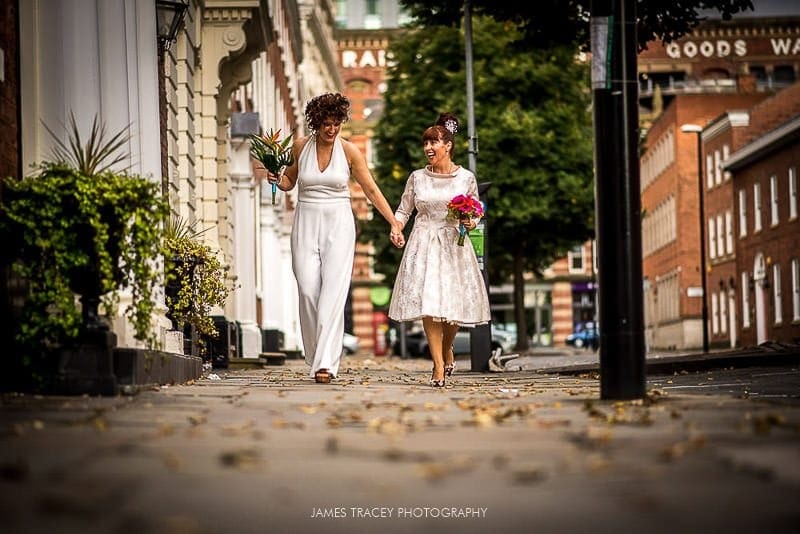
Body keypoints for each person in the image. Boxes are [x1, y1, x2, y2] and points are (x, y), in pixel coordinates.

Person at [267, 93, 403, 384]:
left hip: (339, 222)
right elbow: (290, 181)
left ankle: (326, 364)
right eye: (326, 124)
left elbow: (371, 190)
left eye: (336, 123)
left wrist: (394, 222)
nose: (331, 129)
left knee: (333, 292)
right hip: (307, 220)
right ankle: (316, 352)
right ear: (316, 123)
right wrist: (276, 179)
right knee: (307, 288)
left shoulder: (350, 151)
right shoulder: (301, 146)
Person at [387, 113, 491, 387]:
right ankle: (437, 367)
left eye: (434, 143)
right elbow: (404, 209)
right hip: (423, 243)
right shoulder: (417, 178)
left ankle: (447, 348)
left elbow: (476, 212)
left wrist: (471, 220)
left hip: (453, 245)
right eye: (425, 144)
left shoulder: (466, 178)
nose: (428, 149)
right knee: (430, 305)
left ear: (448, 146)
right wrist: (396, 227)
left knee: (451, 305)